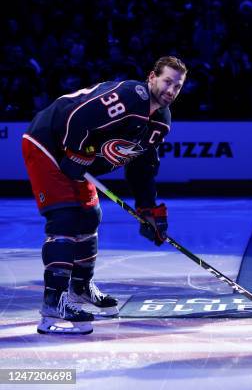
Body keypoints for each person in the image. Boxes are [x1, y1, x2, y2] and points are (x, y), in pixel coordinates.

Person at [22, 56, 187, 334]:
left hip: (78, 158)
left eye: (177, 86)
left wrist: (147, 210)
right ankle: (53, 302)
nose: (171, 90)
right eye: (167, 81)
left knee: (89, 215)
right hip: (48, 144)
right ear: (152, 77)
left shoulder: (161, 122)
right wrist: (76, 153)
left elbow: (142, 166)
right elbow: (79, 117)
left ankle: (80, 288)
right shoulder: (131, 95)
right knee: (65, 217)